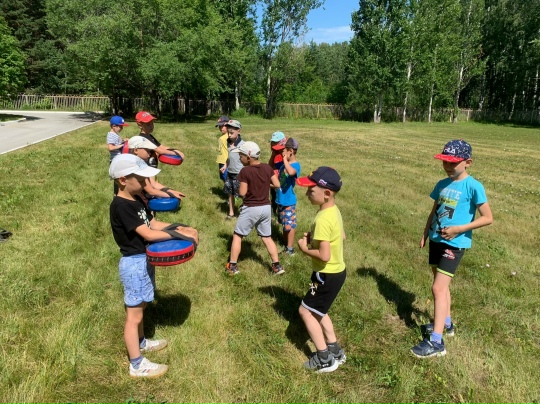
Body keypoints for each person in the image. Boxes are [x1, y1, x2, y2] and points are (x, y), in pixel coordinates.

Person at [109, 154, 198, 378]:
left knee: (142, 305)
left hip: (143, 260)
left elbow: (153, 223)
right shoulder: (121, 206)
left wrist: (179, 226)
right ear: (122, 180)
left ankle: (141, 342)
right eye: (140, 180)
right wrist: (178, 235)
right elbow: (148, 234)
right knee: (134, 316)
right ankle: (136, 364)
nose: (144, 184)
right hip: (133, 264)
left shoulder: (137, 199)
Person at [411, 139, 493, 358]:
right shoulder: (442, 184)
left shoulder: (473, 186)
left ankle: (437, 342)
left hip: (454, 244)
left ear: (468, 162)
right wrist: (425, 232)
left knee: (438, 288)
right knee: (442, 286)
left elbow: (487, 218)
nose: (447, 166)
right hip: (436, 239)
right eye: (444, 162)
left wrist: (459, 229)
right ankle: (446, 324)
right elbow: (434, 211)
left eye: (453, 163)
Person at [295, 167, 347, 373]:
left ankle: (324, 358)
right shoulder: (333, 211)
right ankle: (335, 350)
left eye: (311, 190)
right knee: (319, 310)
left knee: (306, 311)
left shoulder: (322, 219)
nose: (307, 194)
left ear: (326, 193)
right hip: (336, 273)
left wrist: (305, 248)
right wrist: (317, 238)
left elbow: (324, 255)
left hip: (326, 274)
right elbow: (341, 236)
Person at [225, 141, 283, 276]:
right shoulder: (267, 168)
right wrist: (265, 185)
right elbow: (277, 184)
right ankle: (277, 266)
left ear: (248, 157)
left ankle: (232, 266)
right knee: (267, 237)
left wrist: (240, 189)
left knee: (238, 235)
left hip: (251, 208)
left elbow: (243, 193)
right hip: (266, 208)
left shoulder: (245, 171)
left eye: (240, 156)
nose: (239, 158)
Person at [128, 136, 185, 201]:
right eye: (147, 150)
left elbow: (154, 184)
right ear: (136, 150)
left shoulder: (141, 164)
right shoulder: (134, 167)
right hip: (134, 201)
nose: (149, 154)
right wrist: (171, 195)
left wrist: (170, 191)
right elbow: (150, 191)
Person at [275, 138, 301, 255]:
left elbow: (291, 172)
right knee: (284, 223)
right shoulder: (283, 166)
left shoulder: (296, 165)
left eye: (283, 151)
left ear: (290, 151)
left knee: (289, 225)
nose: (282, 153)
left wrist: (285, 160)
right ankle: (285, 243)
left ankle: (290, 249)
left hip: (289, 201)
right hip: (280, 199)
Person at [223, 120, 244, 219]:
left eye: (232, 133)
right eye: (228, 133)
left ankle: (245, 212)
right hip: (230, 172)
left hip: (240, 173)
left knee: (242, 193)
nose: (230, 135)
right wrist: (225, 165)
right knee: (230, 193)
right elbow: (229, 157)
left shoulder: (243, 145)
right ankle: (231, 212)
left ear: (238, 131)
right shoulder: (228, 143)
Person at [268, 131, 287, 215]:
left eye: (275, 143)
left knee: (281, 195)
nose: (272, 145)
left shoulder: (284, 154)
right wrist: (273, 155)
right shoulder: (274, 154)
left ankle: (281, 211)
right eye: (272, 143)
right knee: (273, 195)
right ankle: (273, 209)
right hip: (274, 178)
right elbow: (270, 166)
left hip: (282, 179)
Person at [215, 115, 230, 183]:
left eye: (222, 126)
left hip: (225, 162)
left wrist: (226, 163)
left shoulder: (229, 137)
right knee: (224, 179)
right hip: (221, 161)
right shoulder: (223, 137)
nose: (221, 128)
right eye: (219, 126)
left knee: (227, 180)